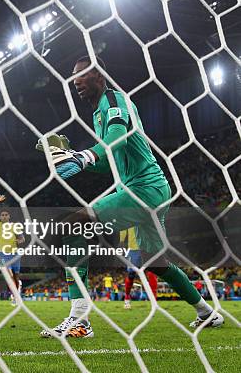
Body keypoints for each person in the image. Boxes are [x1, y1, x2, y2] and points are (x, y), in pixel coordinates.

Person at [39, 55, 224, 338]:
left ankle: (79, 319)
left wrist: (85, 156)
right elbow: (108, 159)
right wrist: (75, 158)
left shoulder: (114, 101)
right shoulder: (98, 112)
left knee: (73, 225)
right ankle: (206, 313)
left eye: (83, 74)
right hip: (150, 189)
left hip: (144, 189)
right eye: (73, 75)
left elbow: (117, 139)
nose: (76, 80)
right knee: (156, 263)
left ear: (99, 75)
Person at [0, 195, 25, 306]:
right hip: (3, 255)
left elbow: (22, 239)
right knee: (9, 275)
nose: (4, 216)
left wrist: (18, 240)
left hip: (15, 254)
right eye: (2, 215)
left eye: (6, 215)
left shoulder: (14, 226)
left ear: (9, 216)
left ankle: (15, 295)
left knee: (15, 277)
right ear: (0, 217)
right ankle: (15, 295)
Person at [120, 226, 158, 309]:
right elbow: (123, 227)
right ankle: (127, 298)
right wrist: (121, 241)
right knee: (131, 274)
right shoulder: (128, 215)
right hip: (133, 249)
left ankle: (154, 301)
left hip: (148, 248)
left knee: (152, 273)